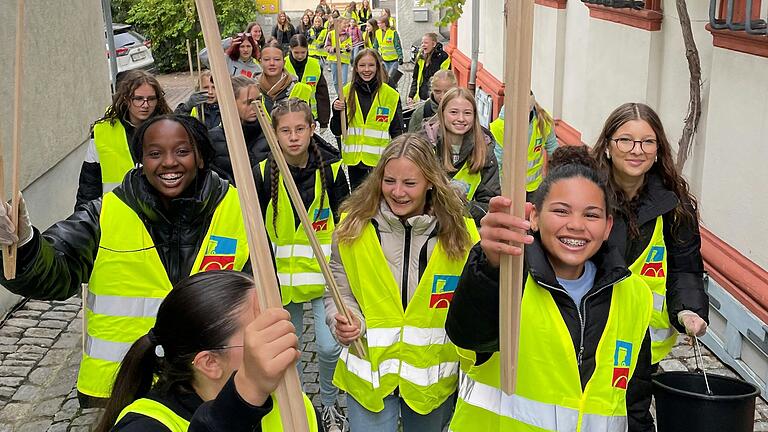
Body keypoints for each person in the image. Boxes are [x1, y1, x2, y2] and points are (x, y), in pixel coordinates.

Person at [0, 115, 250, 408]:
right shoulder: (103, 215)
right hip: (125, 387)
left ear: (201, 157)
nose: (169, 162)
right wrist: (25, 244)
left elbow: (264, 302)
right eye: (155, 153)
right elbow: (54, 274)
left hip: (214, 387)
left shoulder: (241, 211)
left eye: (182, 151)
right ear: (141, 160)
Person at [445, 146, 654, 431]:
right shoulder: (509, 278)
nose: (576, 225)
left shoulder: (634, 295)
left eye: (591, 215)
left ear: (607, 227)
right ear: (533, 217)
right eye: (561, 211)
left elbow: (635, 398)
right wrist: (490, 265)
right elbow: (469, 334)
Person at [324, 133, 480, 432]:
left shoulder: (462, 235)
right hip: (370, 376)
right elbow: (338, 289)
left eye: (410, 184)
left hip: (429, 382)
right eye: (389, 181)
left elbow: (473, 305)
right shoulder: (352, 227)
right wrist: (342, 319)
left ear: (431, 182)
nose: (397, 192)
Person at [593, 103, 708, 431]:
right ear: (608, 145)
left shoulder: (674, 204)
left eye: (647, 142)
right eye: (626, 140)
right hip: (589, 329)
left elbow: (685, 268)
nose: (636, 150)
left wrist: (687, 309)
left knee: (633, 414)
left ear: (658, 150)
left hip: (641, 342)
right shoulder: (585, 194)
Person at [93, 271, 319, 431]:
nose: (286, 339)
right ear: (209, 362)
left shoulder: (294, 404)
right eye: (260, 334)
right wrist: (245, 393)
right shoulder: (145, 425)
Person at [254, 99, 350, 432]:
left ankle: (328, 402)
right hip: (283, 283)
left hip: (326, 280)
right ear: (274, 134)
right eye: (285, 130)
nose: (293, 137)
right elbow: (255, 230)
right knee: (286, 353)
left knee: (328, 345)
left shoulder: (334, 171)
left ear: (312, 129)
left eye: (300, 129)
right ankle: (293, 406)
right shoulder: (264, 172)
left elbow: (347, 223)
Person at [76, 70, 172, 209]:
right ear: (126, 99)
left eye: (151, 99)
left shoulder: (169, 129)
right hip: (118, 213)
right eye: (138, 99)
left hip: (161, 213)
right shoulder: (103, 131)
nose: (145, 105)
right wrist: (83, 223)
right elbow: (89, 185)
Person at [422, 87, 500, 225]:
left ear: (475, 116)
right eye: (453, 112)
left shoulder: (485, 151)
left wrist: (462, 206)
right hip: (427, 228)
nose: (461, 119)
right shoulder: (424, 145)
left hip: (465, 232)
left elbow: (490, 206)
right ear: (442, 113)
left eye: (467, 113)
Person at [330, 48, 404, 188]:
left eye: (371, 65)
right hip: (355, 163)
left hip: (380, 162)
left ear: (377, 67)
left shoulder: (390, 95)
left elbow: (397, 131)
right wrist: (336, 112)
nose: (366, 69)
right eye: (362, 65)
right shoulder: (345, 92)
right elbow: (336, 131)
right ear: (356, 68)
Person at [490, 92, 558, 194]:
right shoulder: (499, 127)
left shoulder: (543, 121)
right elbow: (497, 161)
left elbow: (554, 150)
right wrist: (500, 190)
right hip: (509, 188)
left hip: (534, 188)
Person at [209, 76, 268, 182]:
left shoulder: (270, 135)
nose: (255, 106)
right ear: (231, 103)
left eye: (258, 101)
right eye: (249, 102)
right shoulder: (213, 140)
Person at [285, 35, 331, 130]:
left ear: (307, 49)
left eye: (303, 52)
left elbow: (322, 94)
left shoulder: (315, 65)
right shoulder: (283, 64)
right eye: (296, 52)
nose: (300, 56)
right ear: (290, 49)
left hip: (309, 116)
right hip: (287, 115)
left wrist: (324, 122)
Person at [257, 41, 314, 118]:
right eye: (266, 59)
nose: (272, 63)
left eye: (277, 59)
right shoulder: (253, 89)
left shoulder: (299, 89)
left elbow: (307, 121)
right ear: (260, 62)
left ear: (284, 62)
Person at [408, 33, 451, 105]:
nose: (423, 45)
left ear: (433, 44)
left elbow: (445, 80)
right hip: (421, 97)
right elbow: (415, 78)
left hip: (436, 100)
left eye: (426, 43)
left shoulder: (443, 57)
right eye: (422, 43)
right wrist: (411, 95)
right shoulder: (420, 56)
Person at [325, 18, 353, 90]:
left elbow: (350, 46)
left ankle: (343, 97)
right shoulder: (331, 34)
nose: (346, 25)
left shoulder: (347, 35)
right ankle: (339, 96)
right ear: (339, 24)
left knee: (344, 81)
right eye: (344, 23)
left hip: (344, 61)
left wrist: (348, 48)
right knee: (336, 81)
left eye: (347, 23)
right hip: (334, 60)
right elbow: (326, 47)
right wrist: (334, 49)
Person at [373, 15, 403, 79]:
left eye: (379, 23)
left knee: (392, 78)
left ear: (384, 24)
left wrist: (400, 57)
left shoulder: (393, 32)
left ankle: (394, 88)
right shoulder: (377, 32)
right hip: (384, 60)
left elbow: (397, 45)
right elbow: (375, 46)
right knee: (385, 78)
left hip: (394, 60)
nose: (378, 25)